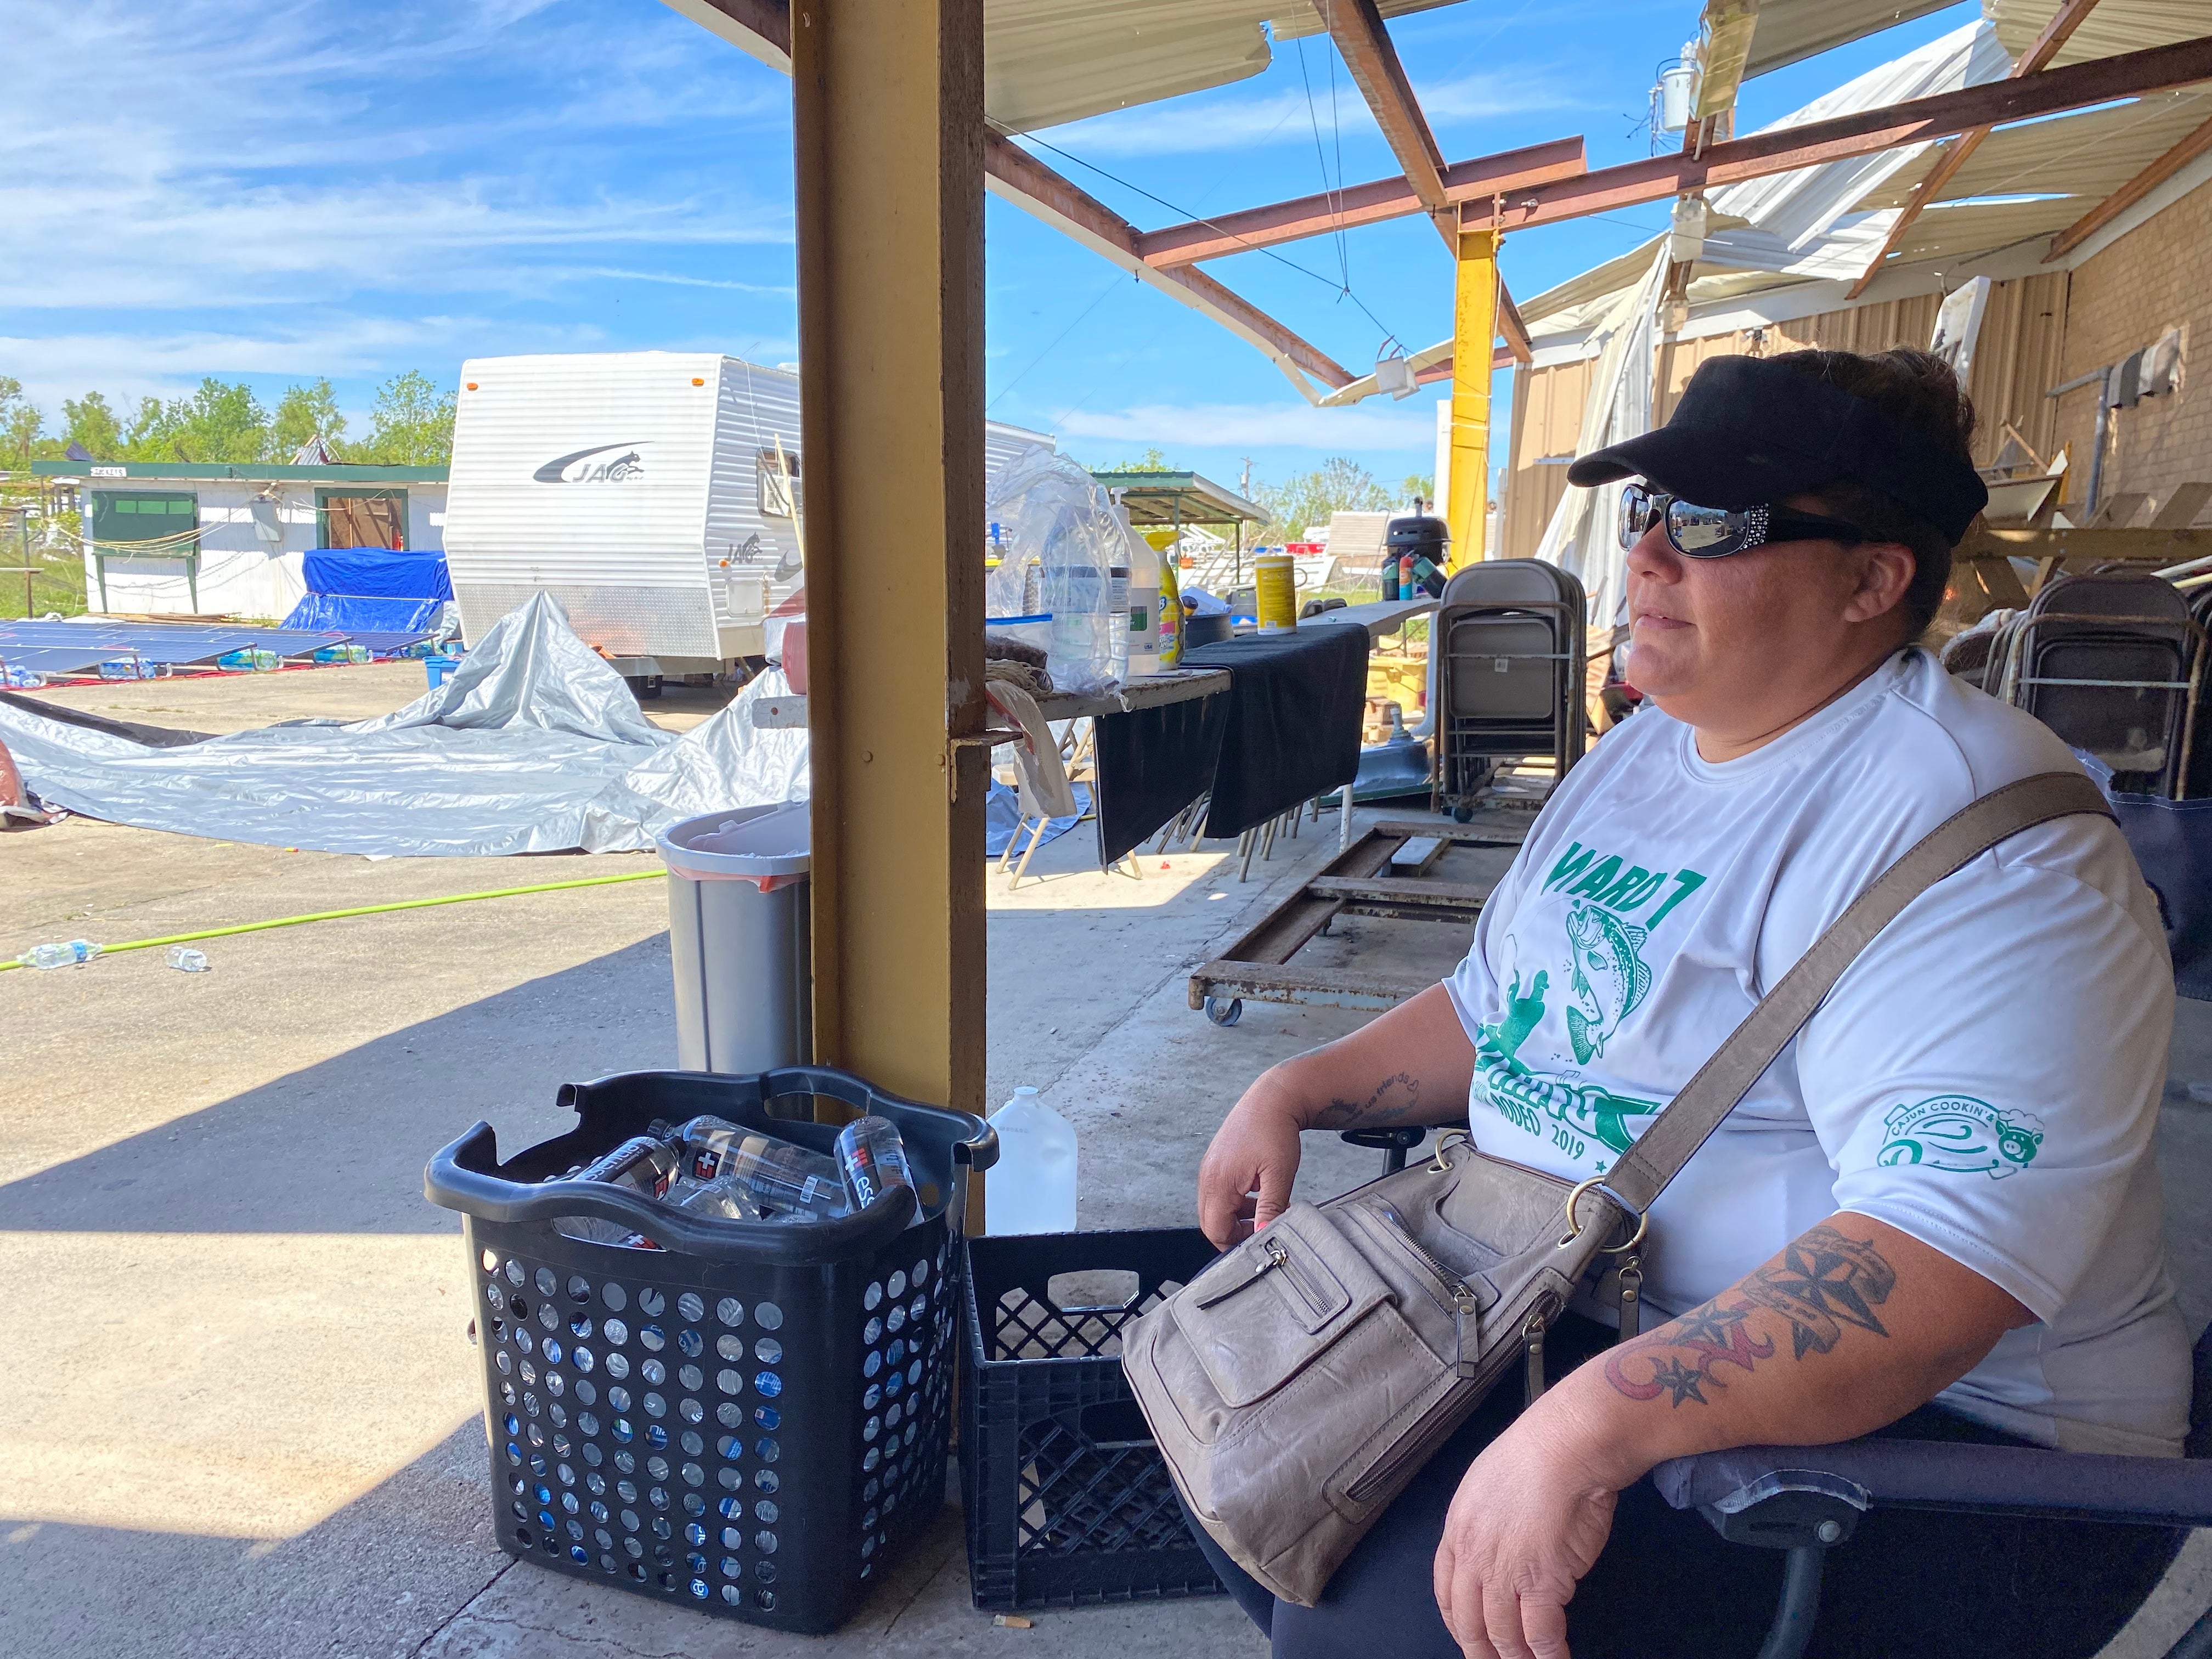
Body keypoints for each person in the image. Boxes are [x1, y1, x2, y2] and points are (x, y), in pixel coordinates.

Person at [1190, 347, 2191, 1659]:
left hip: (1939, 1445)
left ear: (1873, 580)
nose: (1649, 558)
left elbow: (1942, 1267)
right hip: (1561, 1304)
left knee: (1375, 1628)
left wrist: (1593, 1421)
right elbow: (1511, 1005)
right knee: (1231, 1438)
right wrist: (1297, 1086)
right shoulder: (1653, 747)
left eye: (1714, 523)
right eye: (1646, 512)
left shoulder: (1994, 843)